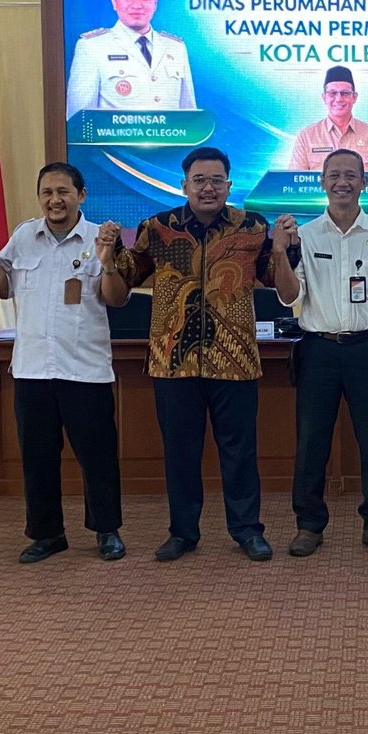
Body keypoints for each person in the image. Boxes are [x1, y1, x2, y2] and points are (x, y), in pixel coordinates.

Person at [114, 147, 276, 562]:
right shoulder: (157, 228)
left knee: (239, 452)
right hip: (173, 361)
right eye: (199, 181)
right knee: (180, 453)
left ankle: (247, 530)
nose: (208, 188)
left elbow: (276, 279)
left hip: (235, 360)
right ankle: (183, 532)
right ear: (184, 185)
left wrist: (287, 249)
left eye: (216, 181)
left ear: (229, 186)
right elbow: (127, 278)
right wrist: (110, 250)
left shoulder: (253, 227)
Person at [272, 148, 368, 558]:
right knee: (311, 441)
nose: (342, 182)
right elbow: (289, 296)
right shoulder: (304, 235)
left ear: (364, 182)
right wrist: (279, 253)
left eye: (351, 175)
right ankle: (309, 525)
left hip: (367, 348)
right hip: (318, 349)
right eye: (334, 175)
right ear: (321, 181)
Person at [0, 162, 127, 564]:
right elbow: (1, 287)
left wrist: (108, 260)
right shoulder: (23, 237)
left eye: (63, 191)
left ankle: (106, 530)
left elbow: (117, 298)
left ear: (81, 195)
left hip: (85, 369)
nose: (55, 200)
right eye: (47, 192)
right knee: (37, 458)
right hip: (32, 369)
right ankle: (47, 534)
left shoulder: (101, 238)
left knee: (97, 457)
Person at [65, 0, 196, 117]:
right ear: (114, 1)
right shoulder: (92, 47)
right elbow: (80, 121)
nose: (137, 5)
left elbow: (189, 118)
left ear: (155, 2)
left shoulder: (175, 47)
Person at [289, 66, 368, 172]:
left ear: (354, 97)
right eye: (332, 93)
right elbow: (295, 179)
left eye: (345, 93)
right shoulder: (306, 137)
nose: (339, 99)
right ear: (324, 97)